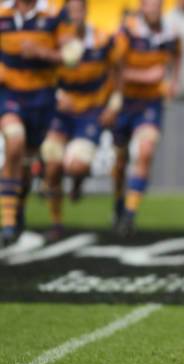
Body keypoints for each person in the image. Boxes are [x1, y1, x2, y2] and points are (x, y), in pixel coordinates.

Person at [41, 0, 121, 241]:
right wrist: (56, 95)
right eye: (71, 11)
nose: (75, 15)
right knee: (53, 163)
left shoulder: (102, 39)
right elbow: (40, 71)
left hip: (90, 111)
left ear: (86, 11)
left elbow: (118, 71)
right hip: (61, 111)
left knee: (76, 166)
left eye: (79, 10)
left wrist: (113, 104)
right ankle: (56, 222)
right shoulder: (54, 40)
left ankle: (77, 182)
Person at [111, 0, 181, 237]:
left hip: (150, 104)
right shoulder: (127, 31)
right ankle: (118, 201)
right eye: (150, 4)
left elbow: (178, 53)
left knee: (145, 151)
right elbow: (114, 67)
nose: (155, 9)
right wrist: (145, 76)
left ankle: (130, 215)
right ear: (142, 7)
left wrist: (173, 80)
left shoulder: (170, 31)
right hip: (125, 102)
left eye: (158, 4)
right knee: (120, 161)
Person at [0, 0, 66, 246]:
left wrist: (42, 53)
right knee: (14, 141)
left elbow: (71, 56)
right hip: (9, 95)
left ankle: (18, 209)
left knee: (27, 164)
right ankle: (7, 223)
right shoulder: (3, 12)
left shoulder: (53, 14)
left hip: (42, 98)